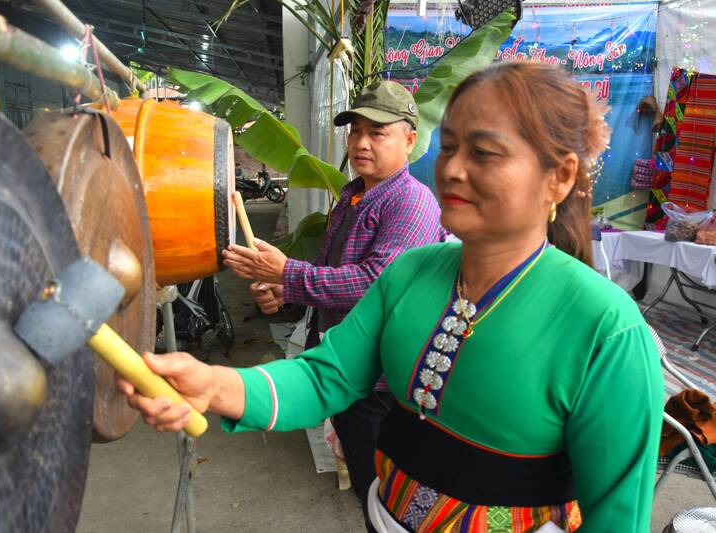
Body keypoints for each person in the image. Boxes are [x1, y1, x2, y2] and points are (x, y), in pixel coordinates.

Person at [118, 63, 663, 532]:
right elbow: (325, 376)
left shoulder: (606, 330)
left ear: (559, 177)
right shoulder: (412, 273)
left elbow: (616, 517)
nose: (451, 167)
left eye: (485, 153)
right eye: (448, 146)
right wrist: (217, 384)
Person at [220, 80, 445, 529]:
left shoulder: (411, 202)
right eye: (355, 130)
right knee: (368, 486)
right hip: (343, 371)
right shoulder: (351, 197)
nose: (361, 143)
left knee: (387, 499)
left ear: (409, 139)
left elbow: (375, 283)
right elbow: (327, 274)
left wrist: (287, 273)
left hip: (380, 386)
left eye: (377, 132)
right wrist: (284, 294)